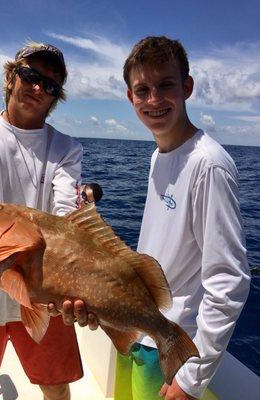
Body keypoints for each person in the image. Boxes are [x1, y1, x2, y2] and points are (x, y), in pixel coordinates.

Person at [114, 36, 251, 400]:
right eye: (142, 89)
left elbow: (229, 282)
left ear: (187, 87)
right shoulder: (160, 155)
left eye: (166, 85)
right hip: (143, 332)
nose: (154, 99)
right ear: (131, 98)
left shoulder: (209, 164)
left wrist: (190, 381)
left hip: (174, 350)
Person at [0, 41, 96, 400]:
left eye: (50, 85)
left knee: (55, 384)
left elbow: (66, 212)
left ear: (56, 98)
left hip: (43, 292)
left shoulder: (66, 148)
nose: (38, 88)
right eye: (30, 76)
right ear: (10, 77)